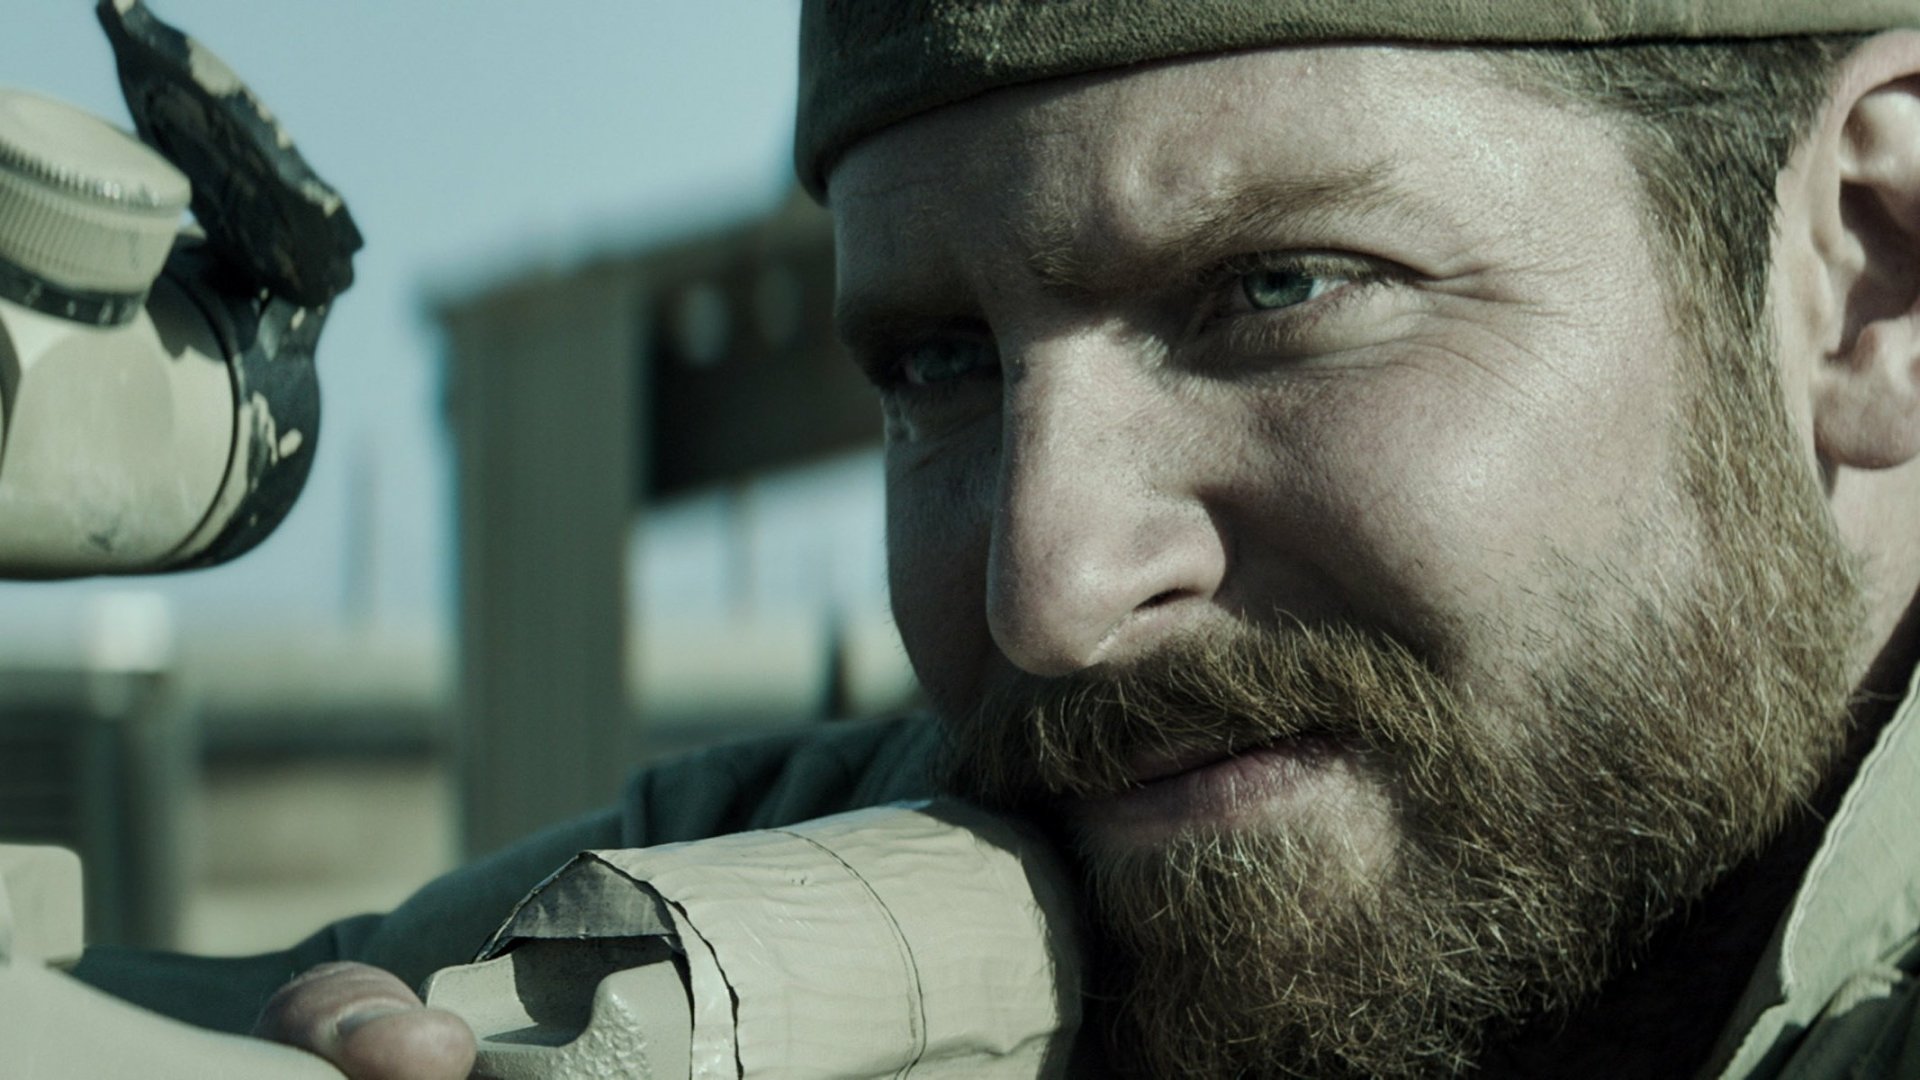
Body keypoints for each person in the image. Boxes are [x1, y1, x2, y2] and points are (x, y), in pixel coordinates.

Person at [74, 1, 1920, 1076]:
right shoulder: (697, 917)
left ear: (1869, 275)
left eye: (1274, 288)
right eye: (941, 366)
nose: (1045, 592)